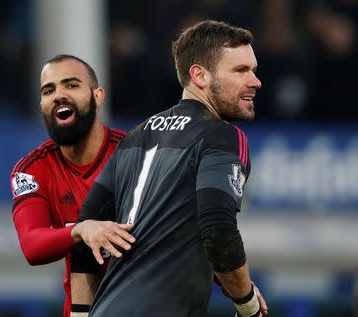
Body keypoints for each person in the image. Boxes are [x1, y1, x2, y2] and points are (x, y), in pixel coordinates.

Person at [71, 20, 269, 316]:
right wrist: (247, 302)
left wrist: (79, 313)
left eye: (253, 69)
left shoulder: (133, 138)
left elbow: (85, 233)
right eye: (240, 70)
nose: (255, 81)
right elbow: (217, 227)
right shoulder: (221, 135)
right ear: (199, 76)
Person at [10, 54, 125, 317]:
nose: (59, 95)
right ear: (41, 105)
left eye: (71, 85)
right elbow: (32, 245)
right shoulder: (32, 169)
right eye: (49, 90)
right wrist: (81, 230)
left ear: (98, 96)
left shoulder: (135, 153)